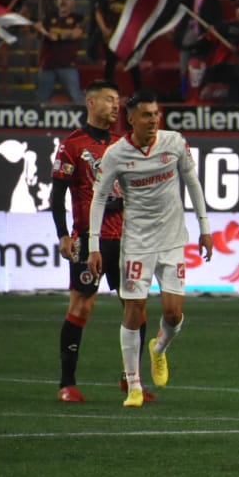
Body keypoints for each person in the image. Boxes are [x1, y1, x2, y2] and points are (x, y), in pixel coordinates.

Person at [87, 90, 214, 408]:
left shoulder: (174, 142)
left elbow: (192, 181)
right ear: (130, 119)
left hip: (172, 241)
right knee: (134, 311)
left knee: (173, 313)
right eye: (146, 115)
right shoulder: (116, 154)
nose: (154, 120)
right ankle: (134, 386)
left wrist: (205, 228)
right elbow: (99, 198)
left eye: (156, 114)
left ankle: (159, 350)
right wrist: (93, 245)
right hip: (137, 245)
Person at [50, 80, 153, 404]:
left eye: (117, 100)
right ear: (90, 103)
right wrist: (63, 235)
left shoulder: (124, 144)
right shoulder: (72, 145)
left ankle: (131, 380)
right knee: (82, 305)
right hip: (89, 238)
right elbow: (57, 194)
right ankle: (67, 384)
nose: (115, 106)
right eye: (109, 99)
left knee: (137, 306)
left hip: (126, 238)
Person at [36, 0, 85, 103]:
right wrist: (47, 33)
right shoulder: (48, 17)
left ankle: (83, 120)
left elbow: (76, 34)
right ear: (56, 2)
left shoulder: (78, 18)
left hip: (67, 64)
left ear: (73, 2)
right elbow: (39, 30)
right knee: (41, 100)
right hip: (48, 64)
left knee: (76, 98)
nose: (63, 1)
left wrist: (56, 36)